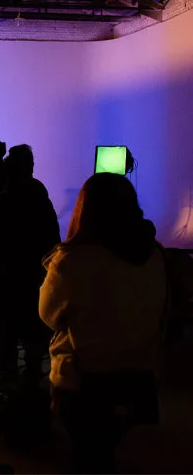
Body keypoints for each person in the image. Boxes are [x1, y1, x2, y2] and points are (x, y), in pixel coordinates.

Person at [40, 173, 166, 474]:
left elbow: (48, 314)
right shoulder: (156, 255)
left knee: (86, 456)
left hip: (84, 385)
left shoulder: (71, 261)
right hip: (139, 380)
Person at [0, 144, 60, 382]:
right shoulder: (42, 202)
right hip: (36, 278)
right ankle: (33, 386)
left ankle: (7, 387)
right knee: (34, 336)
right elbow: (53, 240)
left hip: (6, 278)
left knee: (7, 334)